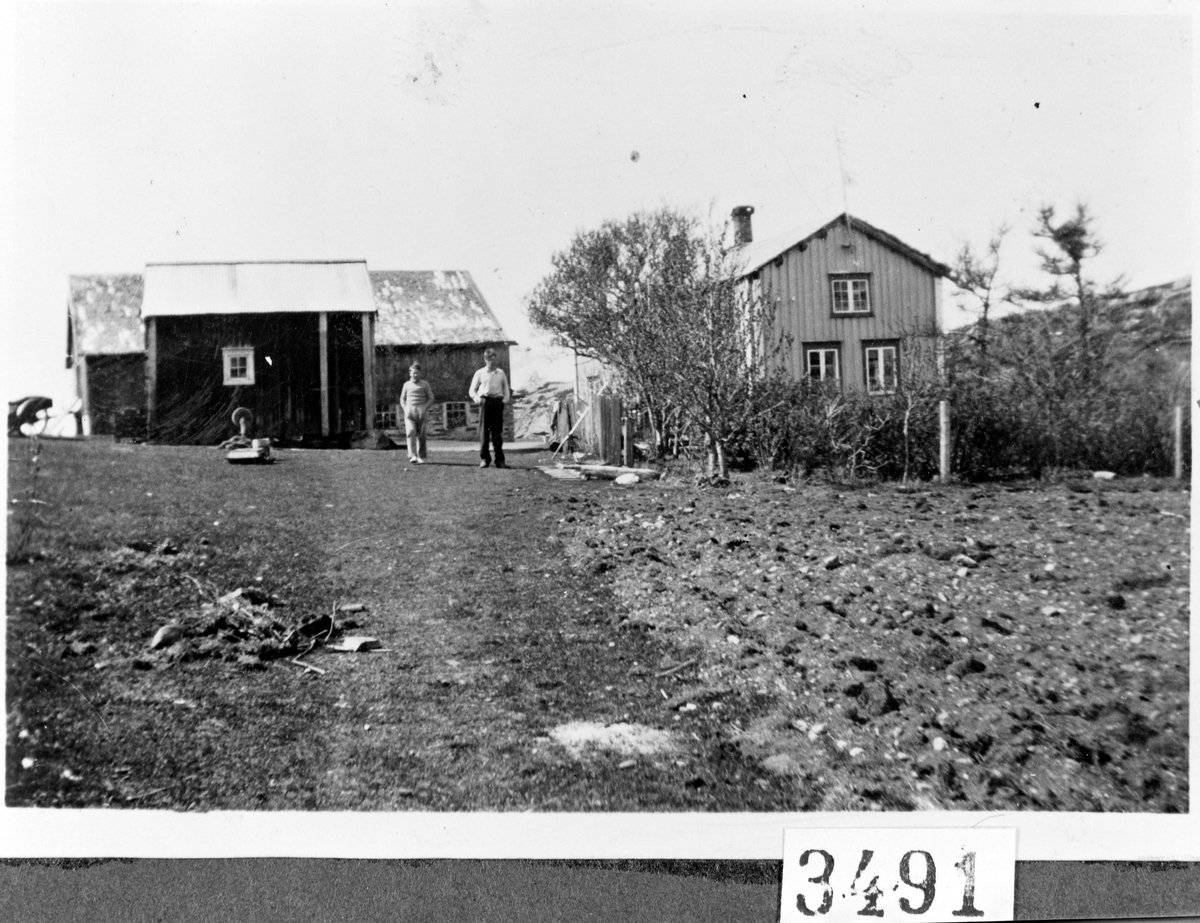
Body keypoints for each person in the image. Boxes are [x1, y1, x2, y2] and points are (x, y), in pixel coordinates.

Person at [468, 348, 511, 468]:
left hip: (497, 402)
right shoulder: (480, 373)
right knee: (484, 432)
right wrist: (478, 400)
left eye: (494, 359)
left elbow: (506, 389)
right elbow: (472, 390)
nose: (492, 362)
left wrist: (504, 400)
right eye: (489, 360)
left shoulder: (501, 373)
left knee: (497, 432)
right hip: (485, 402)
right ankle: (485, 459)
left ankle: (500, 461)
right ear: (485, 360)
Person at [399, 363, 435, 464]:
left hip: (421, 411)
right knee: (410, 432)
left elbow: (431, 398)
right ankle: (412, 455)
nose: (415, 375)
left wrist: (424, 408)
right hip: (410, 411)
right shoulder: (406, 385)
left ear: (420, 373)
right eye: (414, 373)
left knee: (421, 434)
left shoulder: (425, 384)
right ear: (410, 373)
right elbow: (402, 398)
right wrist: (405, 407)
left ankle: (421, 456)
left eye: (417, 373)